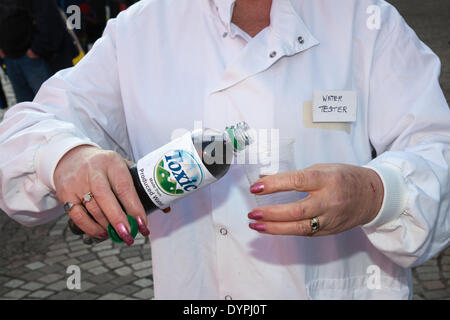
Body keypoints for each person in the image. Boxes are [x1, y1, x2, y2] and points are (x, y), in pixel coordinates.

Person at [0, 0, 449, 300]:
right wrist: (65, 156)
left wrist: (375, 193)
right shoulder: (142, 28)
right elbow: (28, 129)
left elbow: (437, 149)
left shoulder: (366, 21)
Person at [0, 0, 77, 103]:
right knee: (25, 109)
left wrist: (37, 49)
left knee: (50, 103)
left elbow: (50, 20)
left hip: (35, 57)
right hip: (11, 57)